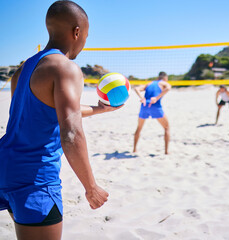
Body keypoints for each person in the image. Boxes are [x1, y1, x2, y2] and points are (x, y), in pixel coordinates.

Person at [0, 1, 122, 239]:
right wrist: (91, 187)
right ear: (77, 31)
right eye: (86, 36)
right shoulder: (66, 68)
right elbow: (71, 133)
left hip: (5, 165)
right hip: (35, 177)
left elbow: (41, 112)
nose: (85, 42)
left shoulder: (23, 69)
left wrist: (99, 109)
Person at [133, 72, 171, 154]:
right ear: (165, 78)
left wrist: (142, 98)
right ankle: (166, 151)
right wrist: (157, 98)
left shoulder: (149, 83)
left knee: (139, 128)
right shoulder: (163, 82)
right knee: (167, 128)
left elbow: (136, 89)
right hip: (155, 106)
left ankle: (134, 149)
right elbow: (168, 88)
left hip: (144, 106)